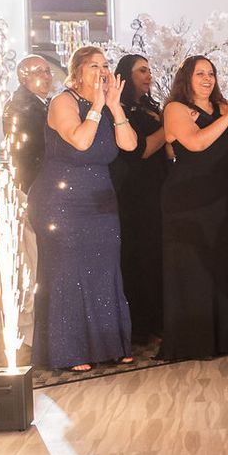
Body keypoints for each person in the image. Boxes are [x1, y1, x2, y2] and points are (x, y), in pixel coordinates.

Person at [30, 46, 137, 372]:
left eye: (105, 66)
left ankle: (110, 345)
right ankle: (70, 350)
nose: (101, 71)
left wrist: (115, 108)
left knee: (104, 269)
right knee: (69, 271)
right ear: (76, 71)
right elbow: (80, 141)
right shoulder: (64, 101)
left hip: (101, 200)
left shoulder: (105, 106)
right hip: (63, 200)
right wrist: (98, 107)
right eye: (94, 66)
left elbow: (130, 144)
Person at [160, 56, 228, 361]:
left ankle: (222, 338)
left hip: (220, 198)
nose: (207, 79)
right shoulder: (175, 108)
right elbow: (196, 143)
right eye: (200, 73)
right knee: (193, 268)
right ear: (187, 78)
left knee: (220, 266)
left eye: (211, 73)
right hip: (187, 201)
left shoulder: (224, 107)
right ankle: (193, 341)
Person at [111, 53, 168, 348]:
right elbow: (141, 150)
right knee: (139, 259)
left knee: (157, 257)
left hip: (157, 189)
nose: (148, 75)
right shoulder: (120, 111)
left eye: (149, 70)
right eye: (141, 71)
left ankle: (159, 320)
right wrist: (170, 126)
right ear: (126, 75)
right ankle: (142, 326)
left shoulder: (149, 106)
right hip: (134, 194)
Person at [5, 55, 54, 194]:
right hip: (35, 181)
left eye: (48, 71)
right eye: (39, 72)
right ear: (23, 77)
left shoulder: (41, 102)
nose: (46, 76)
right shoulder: (21, 105)